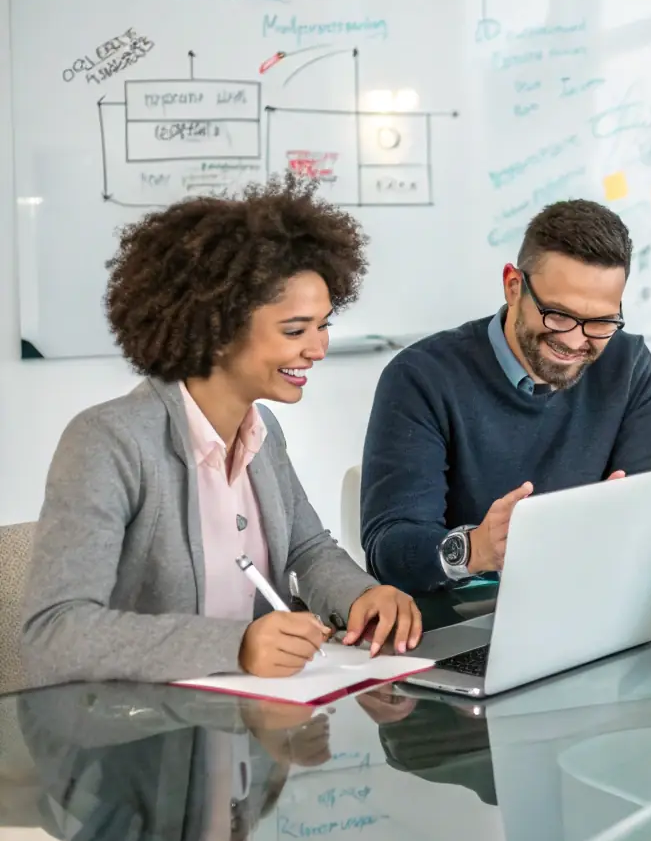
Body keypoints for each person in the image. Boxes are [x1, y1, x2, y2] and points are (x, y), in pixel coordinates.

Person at [21, 174, 422, 688]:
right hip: (139, 743)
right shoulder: (110, 441)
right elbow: (54, 634)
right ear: (216, 328)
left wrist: (362, 596)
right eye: (295, 330)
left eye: (324, 326)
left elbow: (307, 551)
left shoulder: (263, 431)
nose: (317, 349)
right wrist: (234, 646)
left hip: (248, 732)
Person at [361, 198, 651, 612]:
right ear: (514, 286)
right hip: (466, 618)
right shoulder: (422, 377)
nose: (574, 340)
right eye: (557, 315)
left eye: (601, 322)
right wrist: (476, 548)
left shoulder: (629, 367)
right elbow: (389, 549)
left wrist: (619, 527)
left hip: (590, 608)